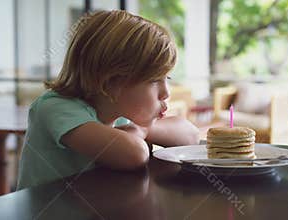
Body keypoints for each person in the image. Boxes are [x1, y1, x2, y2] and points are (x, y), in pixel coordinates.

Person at [17, 10, 199, 190]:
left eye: (166, 79)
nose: (166, 93)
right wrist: (138, 132)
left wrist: (140, 129)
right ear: (111, 82)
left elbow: (190, 135)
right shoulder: (55, 107)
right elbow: (134, 154)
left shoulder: (118, 110)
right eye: (153, 80)